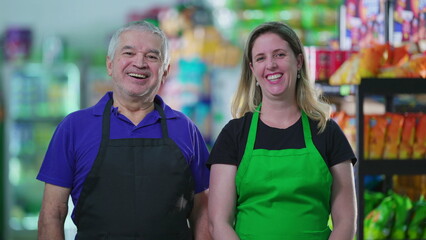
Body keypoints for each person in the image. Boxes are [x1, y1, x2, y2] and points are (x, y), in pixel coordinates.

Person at [37, 20, 211, 240]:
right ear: (110, 65)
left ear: (165, 71)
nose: (139, 63)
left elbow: (202, 213)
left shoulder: (186, 130)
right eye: (128, 53)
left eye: (152, 56)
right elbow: (52, 214)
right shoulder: (73, 128)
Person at [207, 21, 357, 240]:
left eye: (279, 55)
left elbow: (346, 222)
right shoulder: (234, 134)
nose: (271, 65)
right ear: (252, 69)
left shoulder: (328, 132)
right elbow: (218, 223)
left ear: (298, 61)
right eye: (261, 58)